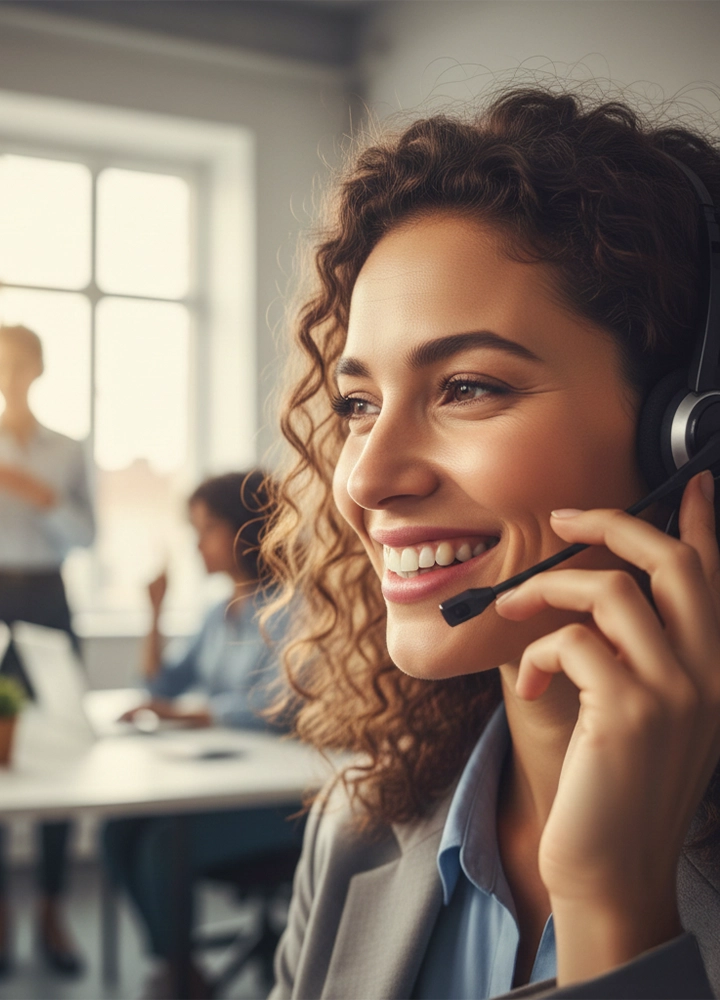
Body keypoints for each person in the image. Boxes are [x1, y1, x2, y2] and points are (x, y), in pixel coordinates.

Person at [259, 86, 720, 1000]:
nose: (364, 478)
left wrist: (615, 912)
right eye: (358, 405)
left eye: (466, 387)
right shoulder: (357, 829)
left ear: (686, 432)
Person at [103, 471, 301, 1000]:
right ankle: (179, 966)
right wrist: (154, 612)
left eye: (207, 528)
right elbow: (161, 684)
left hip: (281, 798)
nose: (197, 543)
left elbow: (276, 708)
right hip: (229, 781)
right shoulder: (220, 612)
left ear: (247, 531)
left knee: (165, 844)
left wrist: (179, 715)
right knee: (118, 830)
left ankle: (179, 978)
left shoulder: (292, 607)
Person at [0, 323, 94, 977]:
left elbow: (88, 535)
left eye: (16, 364)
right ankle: (1, 914)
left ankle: (52, 909)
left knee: (58, 754)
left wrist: (43, 498)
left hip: (49, 600)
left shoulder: (67, 449)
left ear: (37, 369)